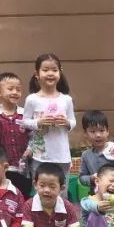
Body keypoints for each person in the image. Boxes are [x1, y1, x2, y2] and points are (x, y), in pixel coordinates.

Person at [22, 53, 75, 196]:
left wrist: (66, 123)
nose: (50, 73)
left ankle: (61, 212)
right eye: (45, 70)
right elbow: (25, 121)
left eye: (54, 70)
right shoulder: (32, 99)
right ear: (37, 74)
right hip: (40, 156)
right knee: (41, 193)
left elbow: (73, 121)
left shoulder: (66, 99)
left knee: (61, 195)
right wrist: (38, 122)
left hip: (62, 155)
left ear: (60, 73)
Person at [78, 110, 114, 227]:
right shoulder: (86, 155)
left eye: (102, 130)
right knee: (94, 226)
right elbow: (81, 177)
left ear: (107, 131)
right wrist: (91, 178)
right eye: (92, 131)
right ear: (85, 133)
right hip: (95, 198)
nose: (98, 135)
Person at [0, 71, 32, 196]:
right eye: (10, 89)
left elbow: (32, 135)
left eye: (18, 89)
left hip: (24, 165)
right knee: (6, 193)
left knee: (23, 193)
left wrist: (30, 148)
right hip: (5, 167)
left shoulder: (24, 114)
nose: (15, 92)